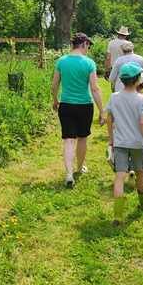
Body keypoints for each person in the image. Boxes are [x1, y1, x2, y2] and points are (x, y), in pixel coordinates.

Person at [52, 33, 106, 188]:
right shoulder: (89, 63)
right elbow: (95, 89)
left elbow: (54, 85)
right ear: (83, 44)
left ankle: (69, 174)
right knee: (82, 138)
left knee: (68, 140)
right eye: (88, 45)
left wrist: (55, 100)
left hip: (66, 105)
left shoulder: (61, 61)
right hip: (84, 106)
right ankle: (79, 167)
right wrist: (102, 111)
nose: (88, 48)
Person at [106, 62, 143, 224]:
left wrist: (111, 140)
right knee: (140, 171)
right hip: (137, 143)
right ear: (136, 80)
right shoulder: (142, 98)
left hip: (120, 142)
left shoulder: (114, 97)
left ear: (121, 79)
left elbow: (109, 119)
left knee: (120, 176)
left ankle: (117, 215)